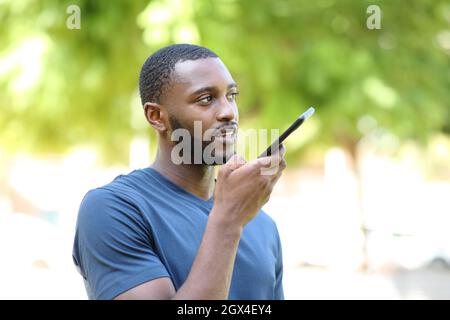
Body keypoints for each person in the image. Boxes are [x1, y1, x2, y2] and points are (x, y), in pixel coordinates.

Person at [72, 44, 286, 300]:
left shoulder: (261, 223)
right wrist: (228, 220)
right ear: (156, 116)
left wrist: (233, 215)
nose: (229, 112)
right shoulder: (113, 209)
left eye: (231, 95)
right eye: (205, 99)